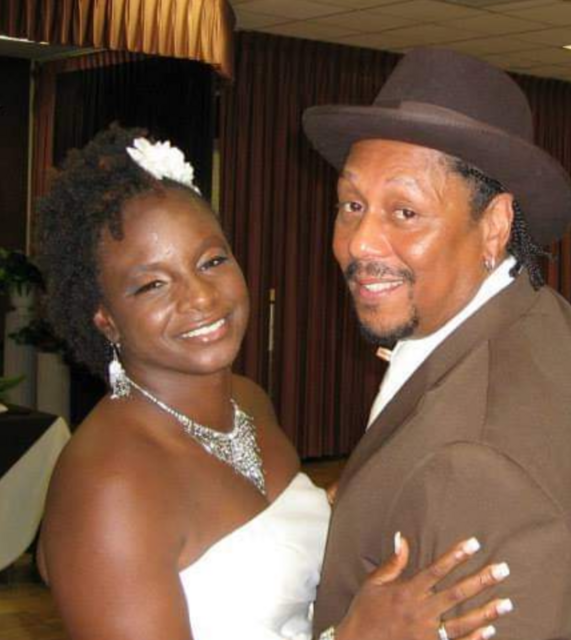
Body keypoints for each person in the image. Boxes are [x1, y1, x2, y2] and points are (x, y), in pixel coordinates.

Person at [36, 125, 513, 640]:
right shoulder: (107, 488)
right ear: (105, 318)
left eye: (211, 261)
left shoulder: (248, 401)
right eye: (153, 284)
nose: (201, 297)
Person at [303, 48, 571, 640]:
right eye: (352, 205)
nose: (359, 243)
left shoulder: (480, 461)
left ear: (496, 226)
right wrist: (372, 501)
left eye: (405, 211)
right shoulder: (554, 324)